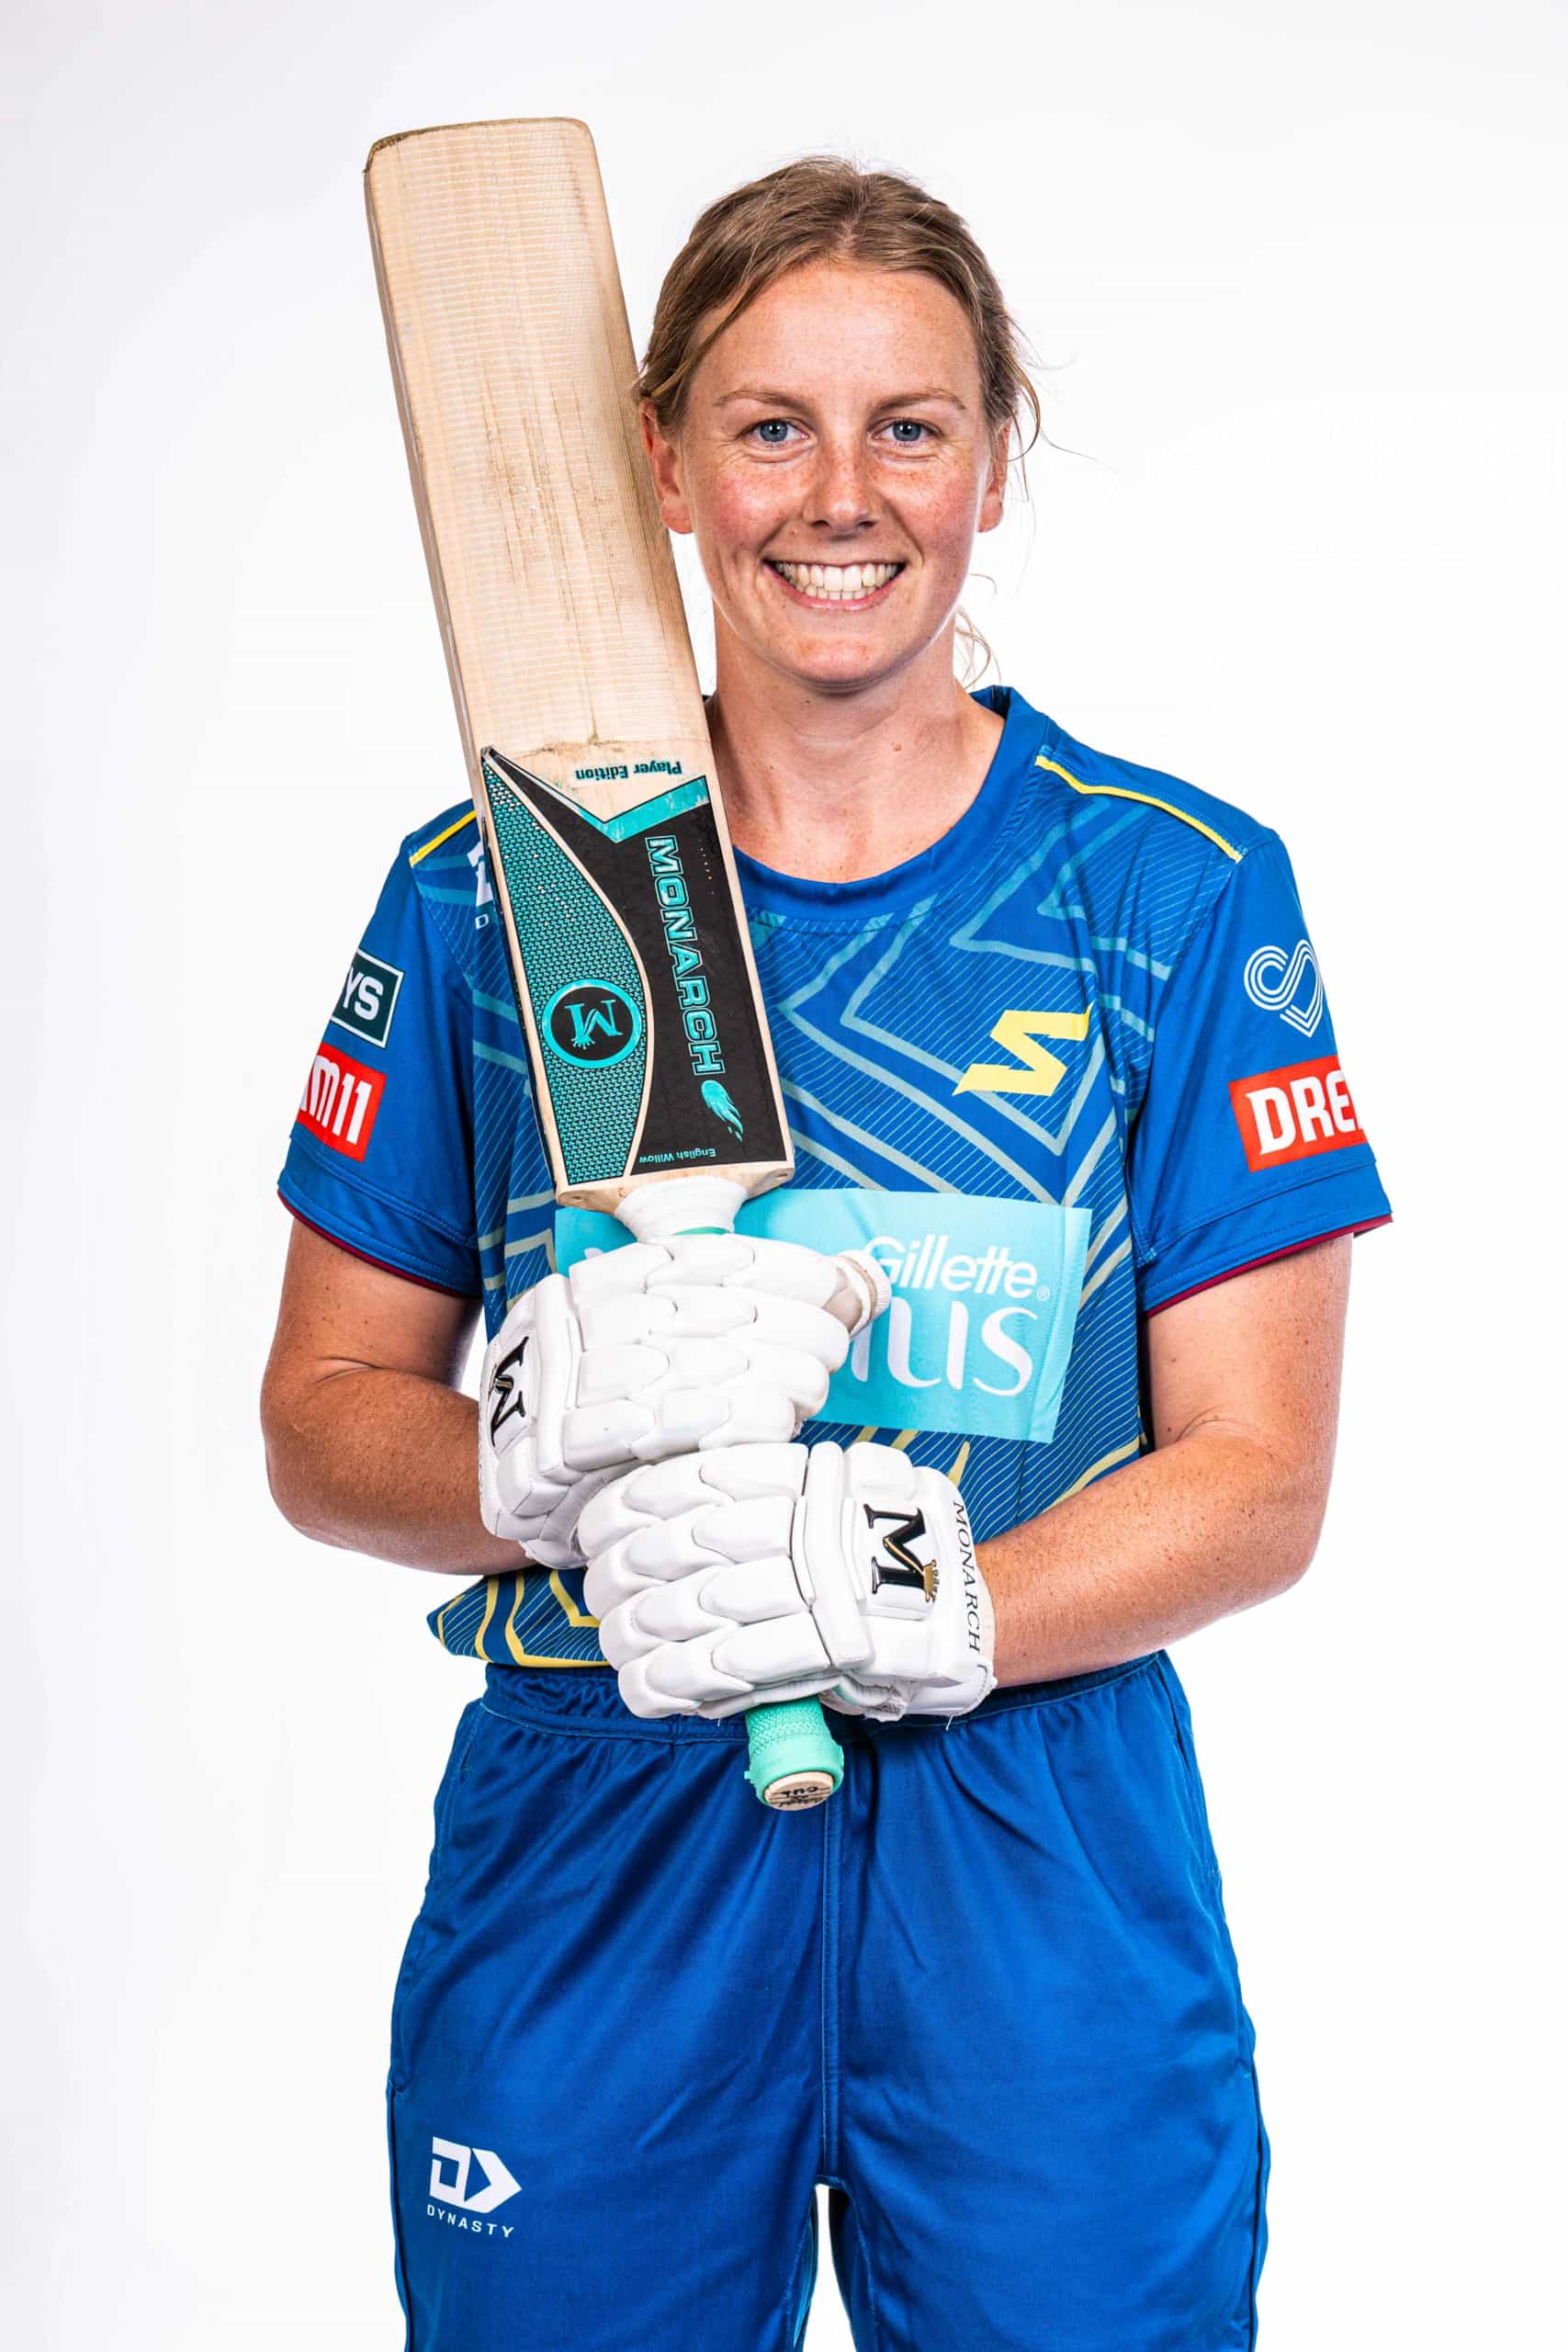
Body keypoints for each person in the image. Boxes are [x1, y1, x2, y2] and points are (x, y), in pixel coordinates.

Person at [262, 154, 1391, 2351]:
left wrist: (943, 1605)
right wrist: (513, 1458)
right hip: (608, 1813)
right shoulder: (495, 896)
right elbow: (320, 1423)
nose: (837, 493)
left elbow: (1258, 1476)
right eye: (769, 424)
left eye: (911, 424)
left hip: (1035, 1837)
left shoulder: (1173, 895)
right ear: (666, 464)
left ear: (992, 458)